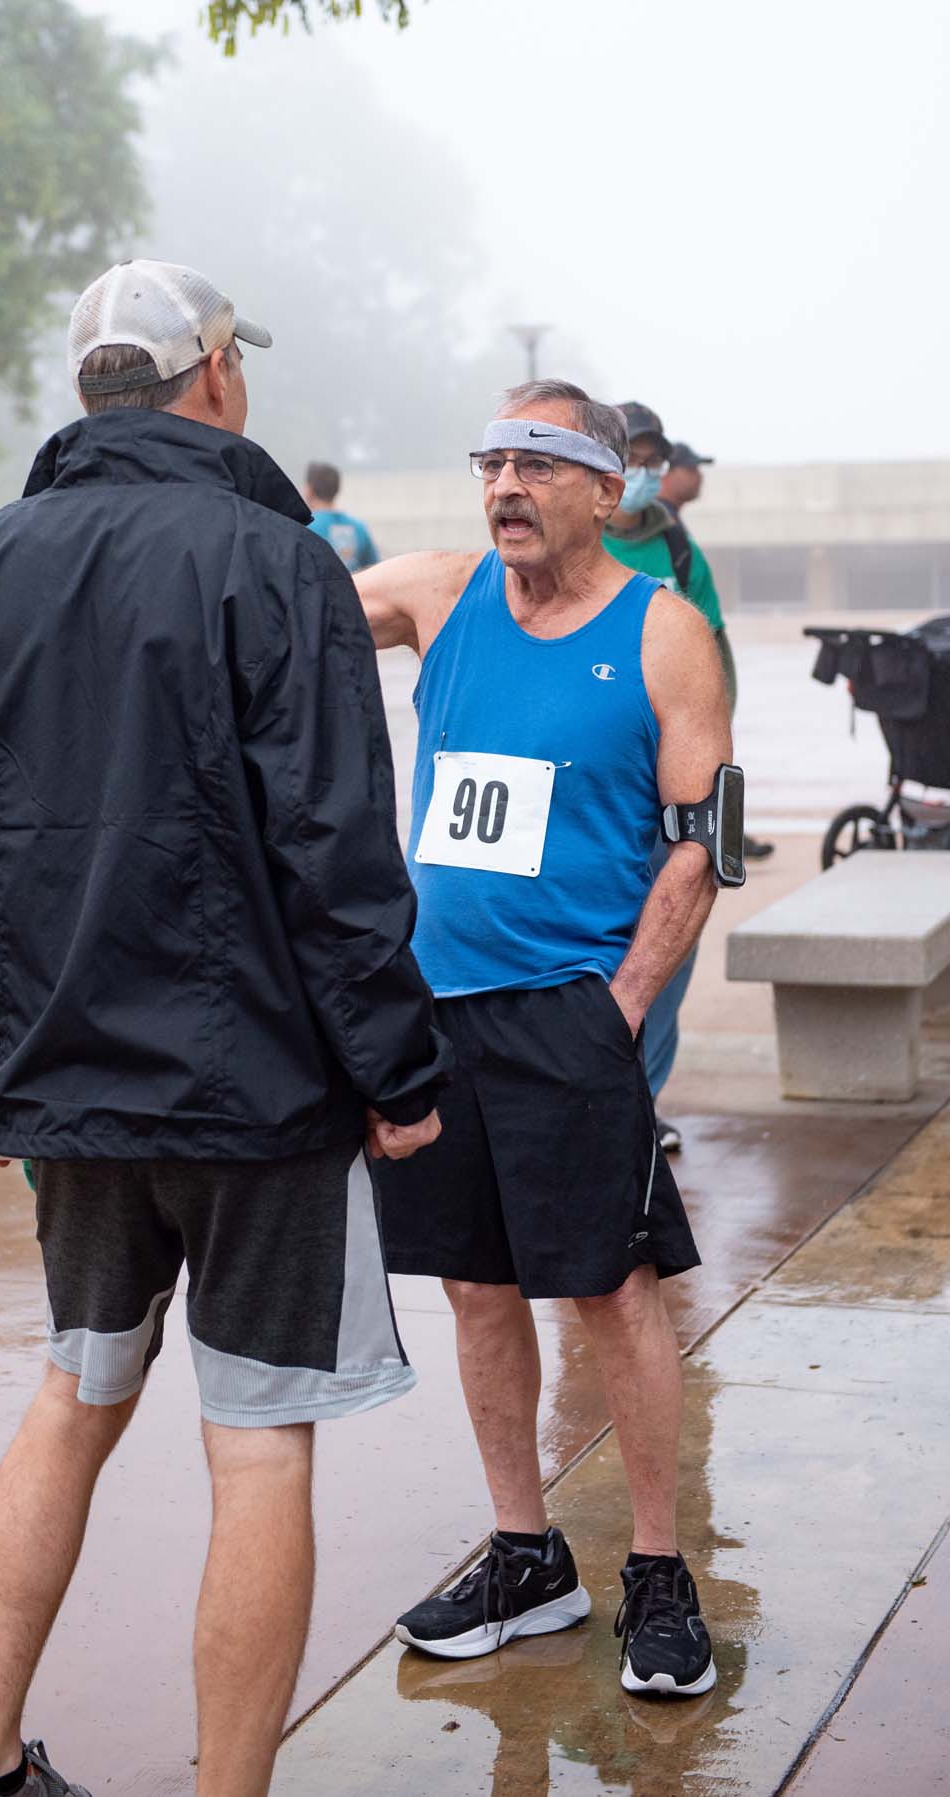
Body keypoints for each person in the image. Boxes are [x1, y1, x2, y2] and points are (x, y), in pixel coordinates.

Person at [0, 258, 450, 1797]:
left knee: (74, 1396)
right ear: (210, 371)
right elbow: (337, 850)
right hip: (256, 1090)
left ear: (87, 386)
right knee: (257, 1440)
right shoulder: (277, 567)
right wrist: (397, 1072)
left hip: (58, 1083)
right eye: (231, 359)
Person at [356, 377, 732, 1700]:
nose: (506, 487)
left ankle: (654, 1567)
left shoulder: (662, 631)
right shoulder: (444, 595)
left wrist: (621, 1005)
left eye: (536, 465)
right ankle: (527, 1554)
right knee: (474, 1283)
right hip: (438, 1008)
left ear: (605, 486)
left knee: (610, 1288)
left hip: (572, 1010)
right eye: (491, 463)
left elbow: (706, 845)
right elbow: (275, 598)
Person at [661, 438, 775, 869]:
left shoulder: (670, 524)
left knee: (715, 757)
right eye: (692, 468)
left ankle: (726, 832)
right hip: (689, 658)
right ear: (669, 473)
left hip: (705, 645)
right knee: (699, 758)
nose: (699, 477)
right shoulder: (661, 529)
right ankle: (709, 837)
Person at [304, 460, 380, 572]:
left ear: (309, 490)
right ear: (337, 489)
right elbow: (375, 569)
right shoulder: (359, 528)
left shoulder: (304, 528)